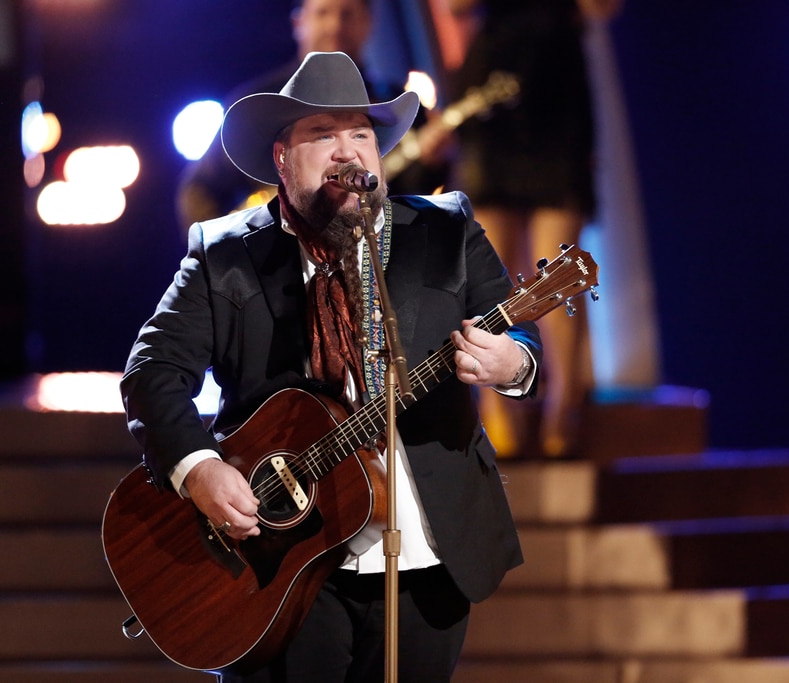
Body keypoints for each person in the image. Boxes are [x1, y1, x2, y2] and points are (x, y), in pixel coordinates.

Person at [121, 51, 541, 682]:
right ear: (282, 158)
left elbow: (522, 338)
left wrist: (513, 363)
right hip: (282, 566)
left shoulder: (446, 230)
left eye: (360, 134)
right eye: (323, 135)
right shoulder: (225, 255)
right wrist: (200, 469)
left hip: (428, 558)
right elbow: (152, 372)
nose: (347, 151)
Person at [447, 0, 619, 459]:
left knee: (556, 265)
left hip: (554, 85)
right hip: (493, 85)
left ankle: (566, 398)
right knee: (492, 268)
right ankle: (500, 406)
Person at [176, 0, 451, 232]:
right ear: (299, 23)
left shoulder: (392, 102)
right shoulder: (257, 102)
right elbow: (199, 191)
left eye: (347, 14)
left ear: (368, 23)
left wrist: (433, 164)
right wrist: (227, 265)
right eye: (323, 13)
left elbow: (410, 204)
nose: (335, 26)